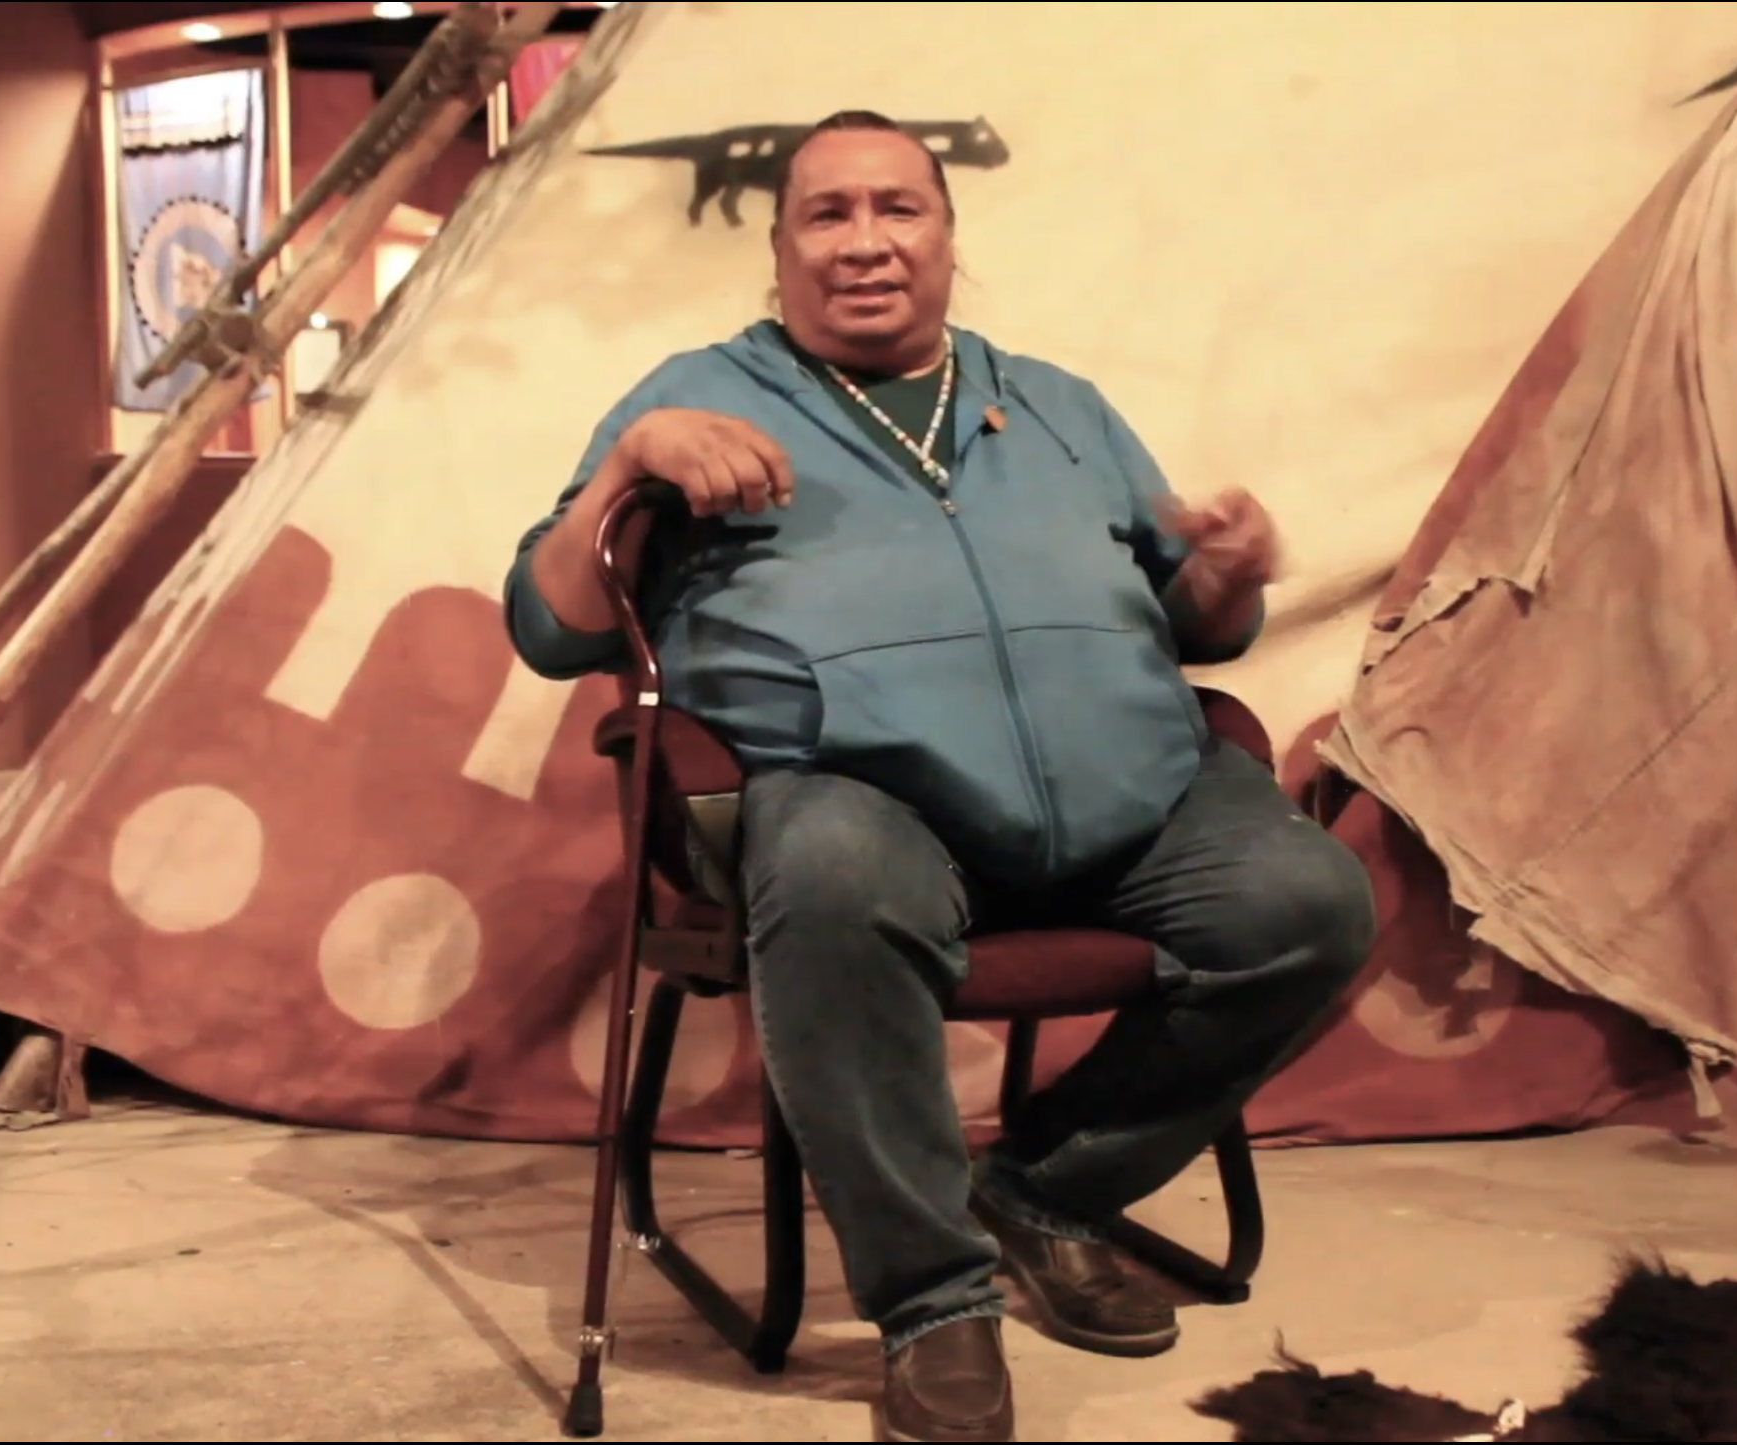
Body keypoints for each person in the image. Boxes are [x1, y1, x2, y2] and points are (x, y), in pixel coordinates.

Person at [502, 110, 1378, 1444]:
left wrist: (1227, 572)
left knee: (1310, 906)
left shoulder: (1063, 405)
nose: (865, 243)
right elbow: (551, 625)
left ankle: (1049, 1190)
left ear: (948, 239)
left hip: (1130, 792)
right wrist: (628, 467)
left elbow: (1194, 621)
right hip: (863, 797)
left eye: (897, 210)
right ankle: (932, 1300)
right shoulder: (698, 397)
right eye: (828, 214)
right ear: (782, 249)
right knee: (834, 871)